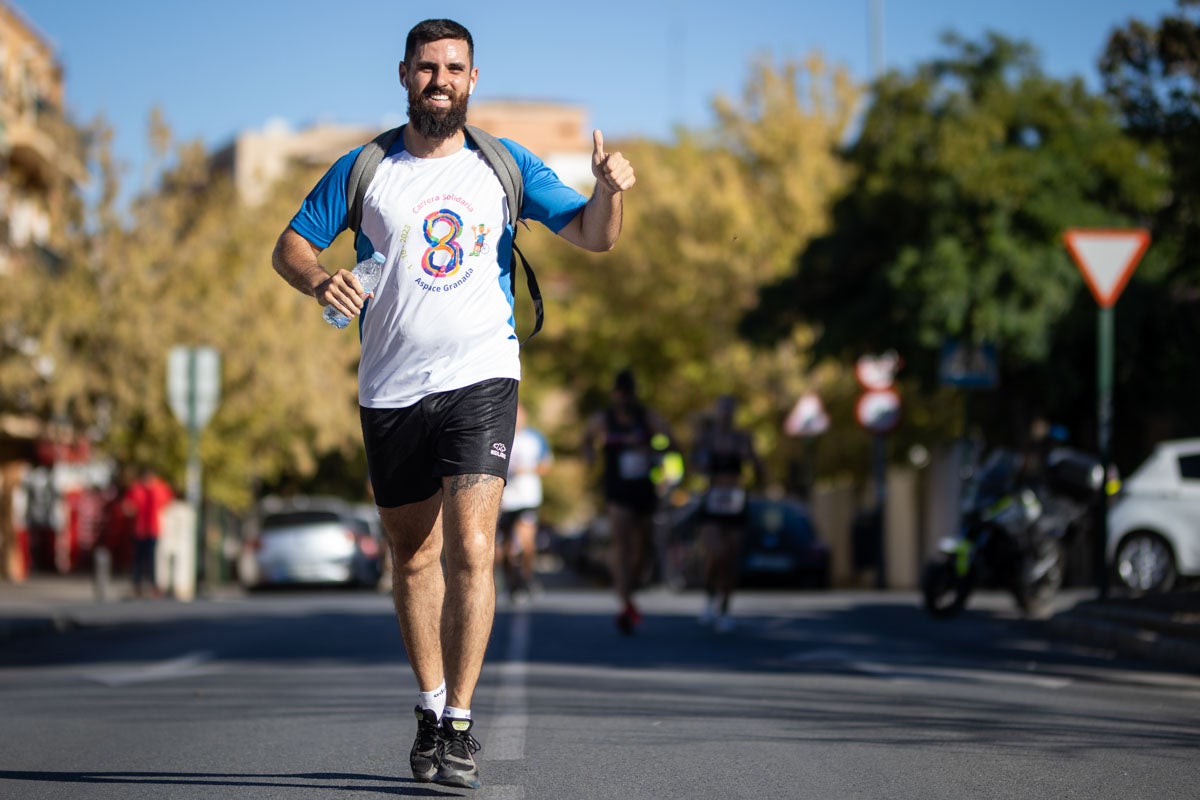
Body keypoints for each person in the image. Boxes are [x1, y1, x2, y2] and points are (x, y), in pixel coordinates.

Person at [270, 18, 634, 791]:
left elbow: (595, 238)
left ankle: (462, 723)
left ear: (474, 78)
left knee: (473, 546)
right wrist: (316, 280)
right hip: (391, 388)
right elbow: (291, 244)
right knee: (415, 557)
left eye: (455, 68)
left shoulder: (504, 165)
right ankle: (430, 706)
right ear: (404, 74)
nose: (441, 79)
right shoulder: (365, 168)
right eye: (428, 67)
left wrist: (608, 191)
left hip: (483, 377)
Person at [582, 369, 673, 635]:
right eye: (619, 393)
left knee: (642, 546)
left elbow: (672, 443)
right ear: (614, 395)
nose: (623, 398)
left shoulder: (648, 418)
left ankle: (630, 585)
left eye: (628, 394)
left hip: (643, 488)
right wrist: (590, 455)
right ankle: (625, 602)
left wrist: (653, 449)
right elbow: (587, 439)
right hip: (616, 489)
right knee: (621, 543)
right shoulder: (604, 419)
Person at [690, 395, 764, 632]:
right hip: (713, 501)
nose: (725, 415)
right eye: (722, 410)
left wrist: (750, 457)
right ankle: (710, 595)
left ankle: (725, 608)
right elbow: (693, 466)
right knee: (715, 553)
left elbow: (759, 469)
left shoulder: (743, 439)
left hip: (734, 501)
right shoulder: (705, 439)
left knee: (731, 558)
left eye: (730, 410)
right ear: (715, 412)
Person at [496, 403, 552, 602]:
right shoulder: (501, 435)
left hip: (528, 497)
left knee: (526, 541)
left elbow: (545, 466)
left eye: (520, 416)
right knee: (508, 546)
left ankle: (527, 578)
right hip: (506, 499)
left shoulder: (534, 438)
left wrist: (526, 470)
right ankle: (513, 583)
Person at [124, 467, 174, 599]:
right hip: (139, 529)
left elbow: (167, 503)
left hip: (153, 529)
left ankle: (153, 585)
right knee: (138, 559)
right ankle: (137, 585)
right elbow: (129, 505)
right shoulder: (137, 489)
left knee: (153, 559)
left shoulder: (160, 488)